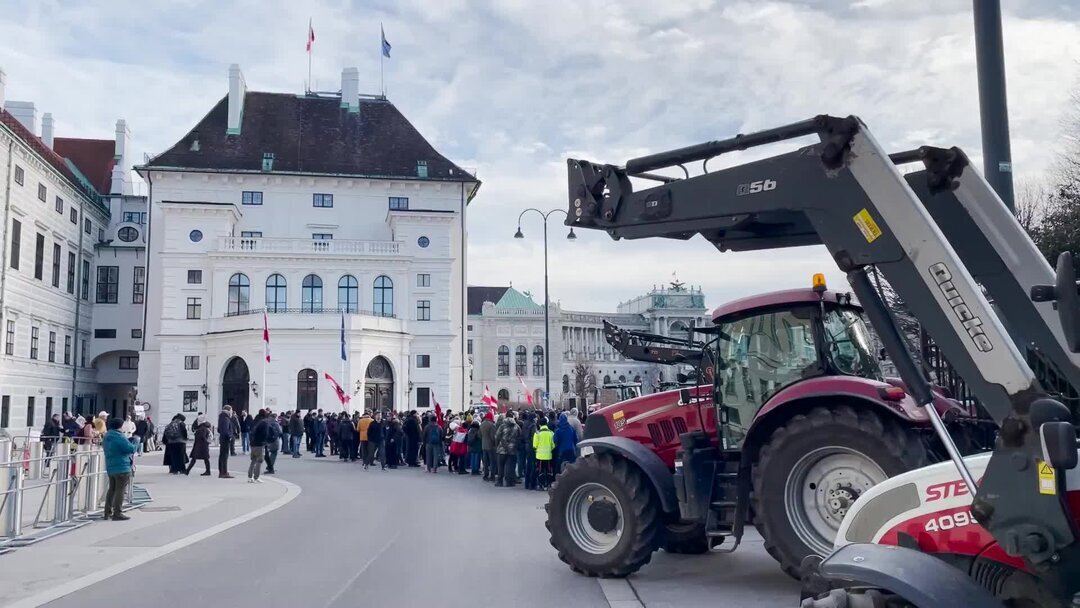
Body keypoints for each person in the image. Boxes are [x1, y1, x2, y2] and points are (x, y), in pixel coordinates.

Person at [102, 418, 136, 521]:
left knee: (112, 489)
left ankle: (107, 512)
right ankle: (118, 512)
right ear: (120, 426)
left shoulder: (107, 436)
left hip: (111, 466)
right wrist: (135, 443)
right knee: (120, 490)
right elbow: (130, 449)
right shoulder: (119, 436)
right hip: (122, 466)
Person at [495, 411, 521, 487]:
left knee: (501, 466)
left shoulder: (502, 426)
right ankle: (509, 482)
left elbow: (497, 436)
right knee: (510, 466)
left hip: (501, 449)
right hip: (512, 449)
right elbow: (520, 436)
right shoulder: (516, 426)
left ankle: (500, 482)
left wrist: (498, 445)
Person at [534, 417, 555, 490]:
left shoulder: (537, 433)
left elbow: (534, 445)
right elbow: (553, 445)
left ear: (539, 424)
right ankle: (548, 484)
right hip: (549, 455)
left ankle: (541, 485)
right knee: (549, 470)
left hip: (539, 456)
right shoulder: (551, 433)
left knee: (540, 471)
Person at [248, 409, 270, 483]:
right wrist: (265, 441)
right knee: (259, 460)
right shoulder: (264, 422)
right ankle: (256, 477)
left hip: (253, 443)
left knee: (253, 460)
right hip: (260, 443)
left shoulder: (254, 421)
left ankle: (250, 477)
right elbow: (265, 434)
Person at [217, 405, 236, 478]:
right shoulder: (225, 418)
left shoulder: (221, 417)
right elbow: (225, 430)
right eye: (231, 410)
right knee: (224, 456)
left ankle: (222, 471)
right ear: (228, 410)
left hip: (222, 438)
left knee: (222, 455)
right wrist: (230, 436)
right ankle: (223, 472)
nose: (231, 411)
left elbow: (219, 429)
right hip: (225, 439)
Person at [520, 412, 537, 489]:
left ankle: (526, 483)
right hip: (531, 445)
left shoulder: (525, 423)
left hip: (525, 444)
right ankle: (532, 484)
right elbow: (534, 436)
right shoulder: (533, 425)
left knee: (528, 464)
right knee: (532, 464)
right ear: (533, 418)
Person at [480, 411, 497, 482]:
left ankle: (485, 475)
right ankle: (492, 476)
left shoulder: (482, 424)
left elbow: (479, 435)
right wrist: (495, 444)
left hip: (484, 445)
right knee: (492, 461)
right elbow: (493, 437)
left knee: (485, 462)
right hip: (491, 446)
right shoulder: (492, 425)